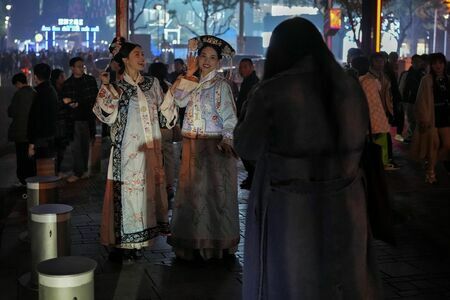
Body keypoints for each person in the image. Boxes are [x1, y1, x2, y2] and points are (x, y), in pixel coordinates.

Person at [234, 17, 381, 299]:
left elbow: (248, 146)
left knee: (292, 281)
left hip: (290, 207)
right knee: (344, 278)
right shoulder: (350, 86)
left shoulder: (272, 91)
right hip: (348, 200)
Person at [163, 35, 240, 261]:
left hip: (214, 147)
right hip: (191, 145)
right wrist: (188, 75)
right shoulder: (189, 81)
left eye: (212, 57)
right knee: (191, 194)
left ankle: (215, 245)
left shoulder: (221, 85)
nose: (206, 61)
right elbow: (177, 102)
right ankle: (192, 243)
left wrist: (227, 139)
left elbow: (230, 118)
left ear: (219, 61)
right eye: (203, 56)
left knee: (214, 196)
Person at [93, 42, 172, 261]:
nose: (142, 57)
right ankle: (122, 242)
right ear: (125, 59)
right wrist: (106, 87)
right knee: (127, 195)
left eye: (143, 53)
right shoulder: (117, 87)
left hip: (150, 151)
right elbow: (106, 115)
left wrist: (174, 93)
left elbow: (165, 114)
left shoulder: (152, 83)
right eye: (137, 54)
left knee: (145, 195)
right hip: (126, 153)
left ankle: (140, 241)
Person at [411, 53, 450, 184]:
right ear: (431, 65)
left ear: (444, 64)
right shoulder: (427, 79)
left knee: (447, 144)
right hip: (431, 115)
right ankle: (431, 172)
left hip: (445, 115)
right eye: (435, 63)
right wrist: (424, 118)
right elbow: (421, 100)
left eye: (440, 63)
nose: (438, 66)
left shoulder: (447, 79)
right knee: (434, 145)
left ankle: (430, 163)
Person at [63, 57, 99, 182]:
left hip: (88, 117)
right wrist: (68, 104)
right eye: (78, 66)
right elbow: (64, 100)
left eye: (82, 66)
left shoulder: (90, 80)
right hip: (74, 119)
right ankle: (78, 171)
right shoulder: (67, 84)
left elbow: (94, 98)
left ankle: (83, 170)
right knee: (76, 147)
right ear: (72, 68)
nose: (81, 68)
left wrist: (77, 103)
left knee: (85, 145)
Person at [360, 52, 397, 170]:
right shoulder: (368, 78)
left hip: (384, 110)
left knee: (382, 136)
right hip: (375, 112)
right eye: (377, 61)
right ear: (372, 62)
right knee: (377, 136)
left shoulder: (384, 76)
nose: (380, 64)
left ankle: (382, 161)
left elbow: (388, 95)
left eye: (382, 61)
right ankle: (380, 162)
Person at [147, 62, 176, 204]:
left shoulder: (148, 87)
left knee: (153, 158)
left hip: (152, 128)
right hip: (167, 128)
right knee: (169, 159)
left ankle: (155, 186)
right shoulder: (169, 87)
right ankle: (169, 186)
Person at [7, 72, 36, 186]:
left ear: (18, 83)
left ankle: (23, 180)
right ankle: (31, 179)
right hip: (32, 132)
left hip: (20, 132)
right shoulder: (34, 93)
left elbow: (11, 112)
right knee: (30, 158)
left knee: (21, 158)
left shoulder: (18, 94)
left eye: (16, 85)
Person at [236, 58, 259, 190]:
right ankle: (251, 177)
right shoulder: (247, 82)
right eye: (241, 67)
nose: (242, 69)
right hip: (244, 120)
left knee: (247, 152)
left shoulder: (253, 83)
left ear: (251, 67)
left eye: (245, 67)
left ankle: (253, 178)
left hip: (249, 122)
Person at [27, 63, 57, 164]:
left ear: (35, 77)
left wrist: (31, 143)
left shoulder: (36, 93)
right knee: (48, 168)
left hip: (40, 138)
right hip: (51, 134)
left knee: (40, 168)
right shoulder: (52, 90)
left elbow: (34, 118)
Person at [50, 69, 72, 177]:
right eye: (62, 77)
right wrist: (63, 103)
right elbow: (53, 107)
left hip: (63, 122)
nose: (64, 79)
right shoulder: (52, 90)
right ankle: (54, 171)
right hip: (56, 123)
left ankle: (57, 170)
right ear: (57, 78)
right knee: (56, 149)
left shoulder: (63, 88)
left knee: (61, 148)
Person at [401, 54, 426, 143]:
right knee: (411, 119)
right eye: (415, 62)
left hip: (420, 100)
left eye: (418, 62)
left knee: (417, 119)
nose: (416, 64)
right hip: (411, 100)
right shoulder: (408, 74)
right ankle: (412, 136)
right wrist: (404, 100)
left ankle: (415, 136)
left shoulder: (423, 74)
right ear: (412, 62)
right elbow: (405, 87)